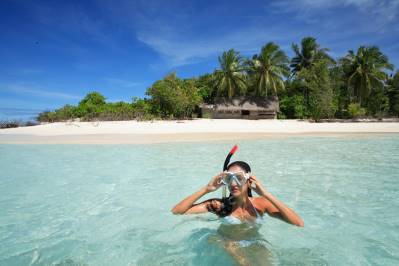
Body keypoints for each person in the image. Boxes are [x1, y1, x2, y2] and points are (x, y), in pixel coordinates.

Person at [171, 161, 304, 265]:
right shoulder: (220, 205)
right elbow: (177, 211)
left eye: (239, 178)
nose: (233, 183)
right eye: (229, 179)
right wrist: (206, 189)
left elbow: (298, 223)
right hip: (228, 244)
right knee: (237, 254)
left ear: (249, 180)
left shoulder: (261, 204)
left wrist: (266, 194)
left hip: (255, 243)